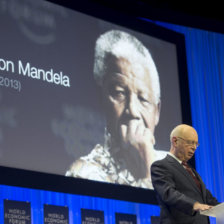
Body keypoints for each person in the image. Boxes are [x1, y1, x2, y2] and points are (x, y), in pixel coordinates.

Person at [66, 30, 167, 189]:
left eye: (143, 99)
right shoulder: (84, 173)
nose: (132, 110)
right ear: (101, 99)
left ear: (157, 112)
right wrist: (146, 178)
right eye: (119, 93)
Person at [151, 124, 219, 224]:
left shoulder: (191, 171)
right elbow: (168, 193)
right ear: (175, 141)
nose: (194, 147)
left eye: (196, 144)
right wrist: (194, 205)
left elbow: (207, 199)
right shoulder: (160, 166)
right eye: (190, 142)